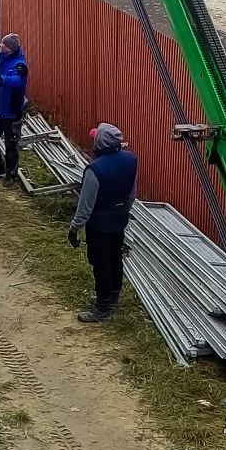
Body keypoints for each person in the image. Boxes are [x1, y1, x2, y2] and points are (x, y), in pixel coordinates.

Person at [67, 123, 137, 323]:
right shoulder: (130, 160)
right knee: (115, 257)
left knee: (100, 263)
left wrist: (74, 229)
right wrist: (122, 211)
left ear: (100, 143)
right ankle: (113, 297)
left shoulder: (95, 170)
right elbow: (132, 194)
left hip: (99, 225)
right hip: (119, 219)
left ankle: (102, 308)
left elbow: (85, 206)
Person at [0, 32, 29, 182]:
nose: (0, 46)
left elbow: (18, 81)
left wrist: (1, 80)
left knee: (11, 147)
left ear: (9, 48)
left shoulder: (20, 64)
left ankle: (11, 175)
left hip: (11, 112)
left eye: (3, 44)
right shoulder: (0, 59)